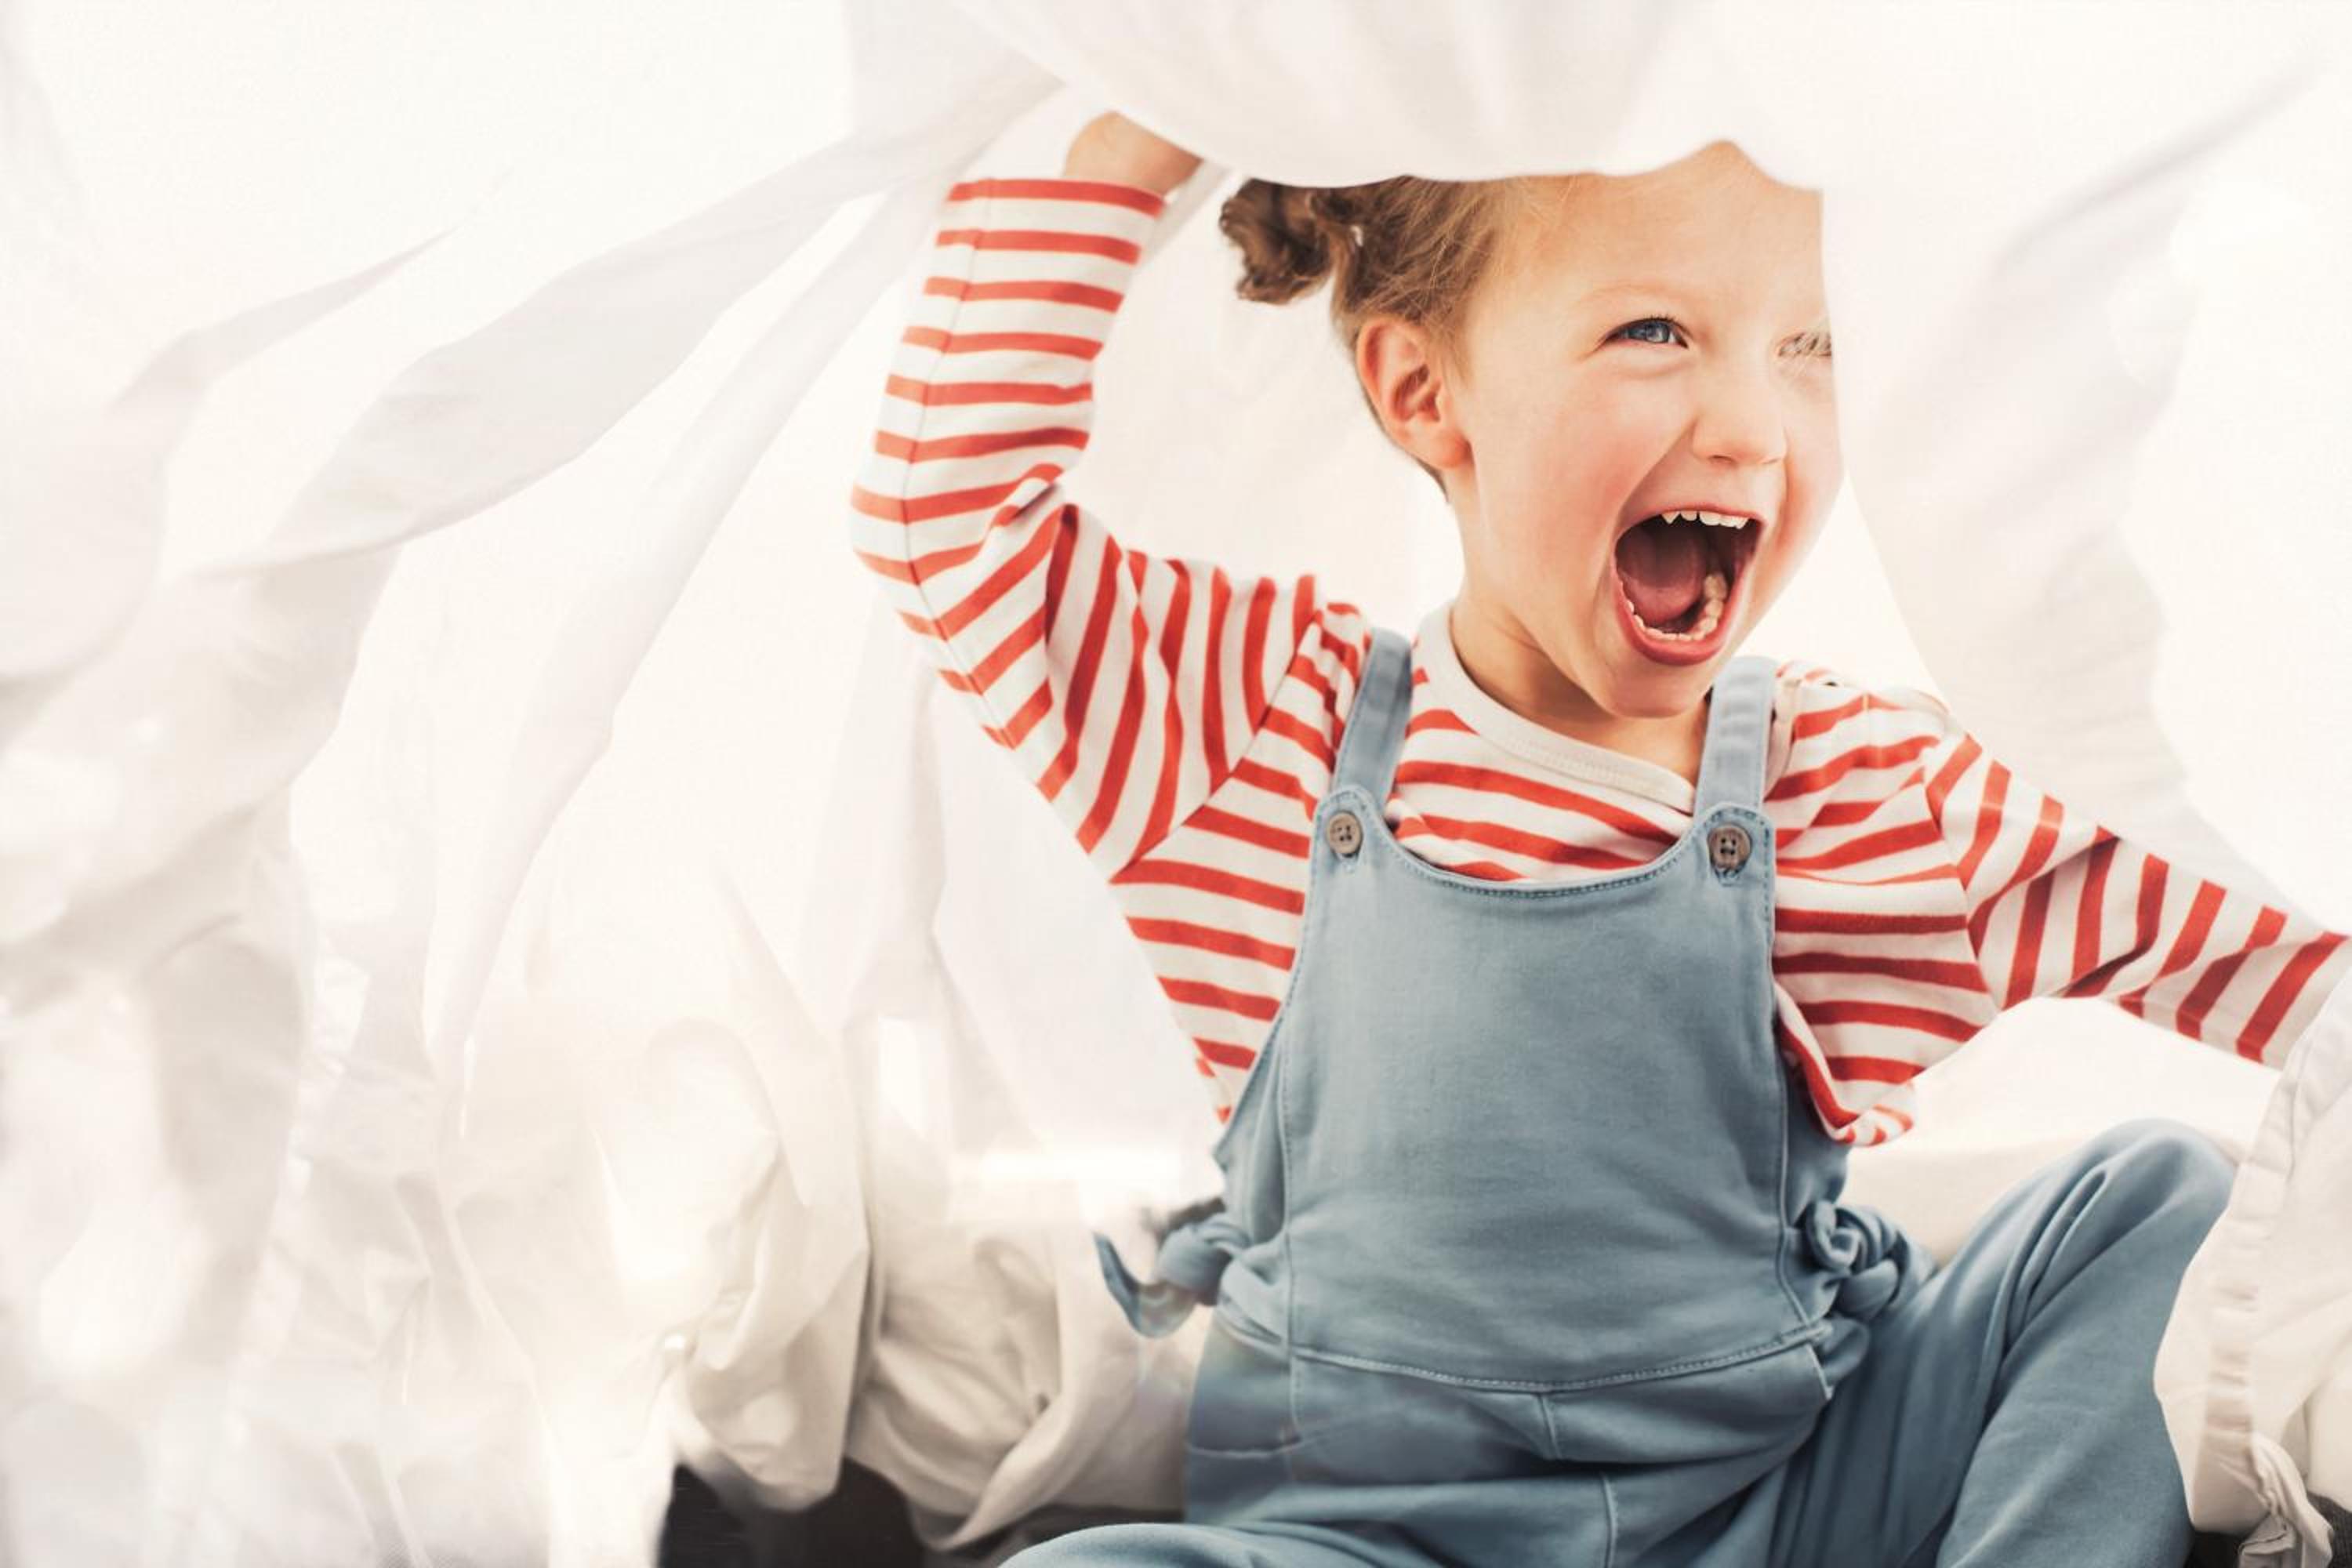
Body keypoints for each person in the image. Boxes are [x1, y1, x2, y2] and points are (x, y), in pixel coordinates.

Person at [843, 109, 2350, 1566]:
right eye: (1655, 334)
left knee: (2156, 1200)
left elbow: (2269, 966)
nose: (1754, 422)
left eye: (1810, 346)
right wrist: (1154, 114)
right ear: (1423, 390)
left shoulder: (1863, 788)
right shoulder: (1260, 737)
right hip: (1354, 1538)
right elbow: (943, 513)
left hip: (1791, 1505)